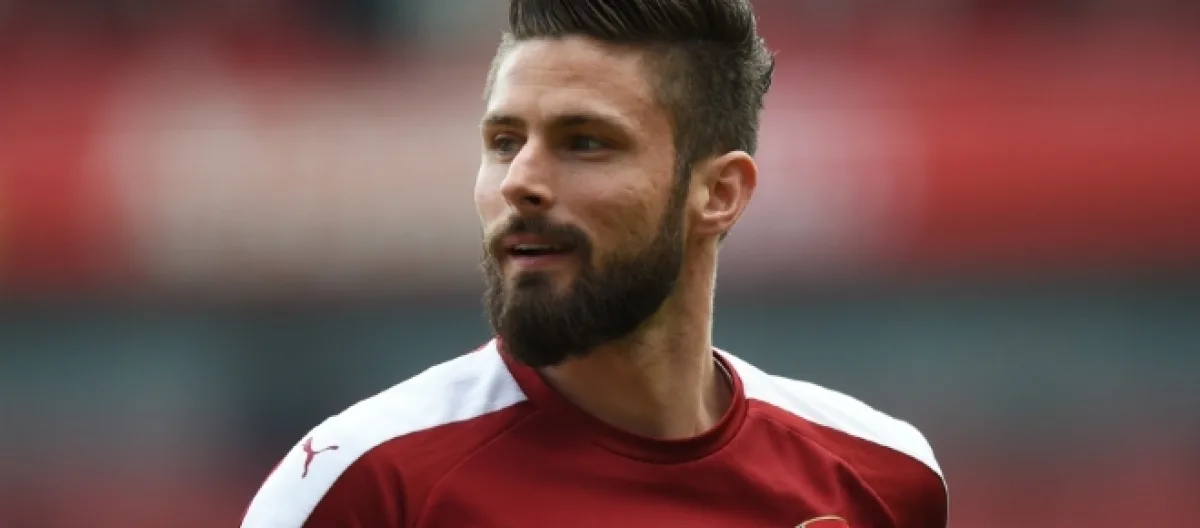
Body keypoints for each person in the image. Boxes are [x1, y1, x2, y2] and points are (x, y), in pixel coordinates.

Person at [241, 0, 948, 526]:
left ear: (719, 194)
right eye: (504, 141)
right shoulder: (365, 484)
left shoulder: (881, 476)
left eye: (585, 142)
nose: (520, 181)